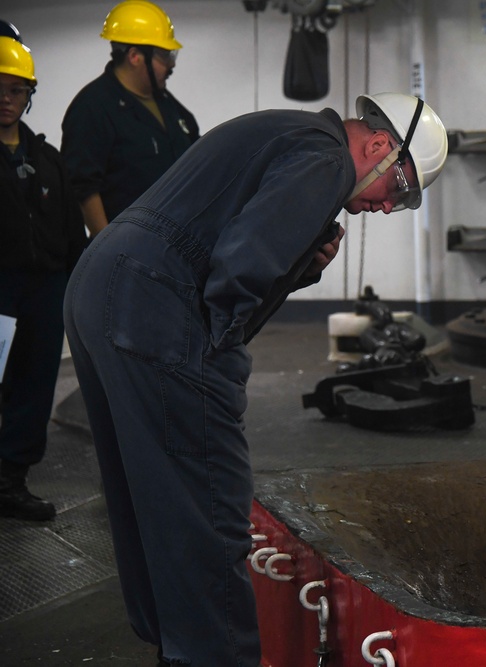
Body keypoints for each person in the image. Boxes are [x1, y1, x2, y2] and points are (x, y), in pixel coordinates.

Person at [63, 92, 447, 666]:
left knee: (147, 491)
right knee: (208, 505)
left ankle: (174, 644)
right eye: (399, 189)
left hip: (99, 286)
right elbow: (241, 263)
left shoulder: (287, 134)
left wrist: (300, 264)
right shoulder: (326, 158)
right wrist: (216, 363)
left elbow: (236, 236)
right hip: (153, 303)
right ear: (379, 147)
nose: (389, 208)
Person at [0, 35, 87, 520]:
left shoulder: (47, 158)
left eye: (16, 90)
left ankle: (11, 480)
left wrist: (79, 287)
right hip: (0, 290)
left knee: (35, 386)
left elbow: (72, 230)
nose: (5, 100)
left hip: (44, 291)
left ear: (28, 94)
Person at [61, 0, 199, 238]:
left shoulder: (171, 107)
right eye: (164, 56)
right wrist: (108, 248)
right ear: (135, 56)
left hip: (178, 245)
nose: (171, 65)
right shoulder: (93, 106)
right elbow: (83, 186)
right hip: (129, 248)